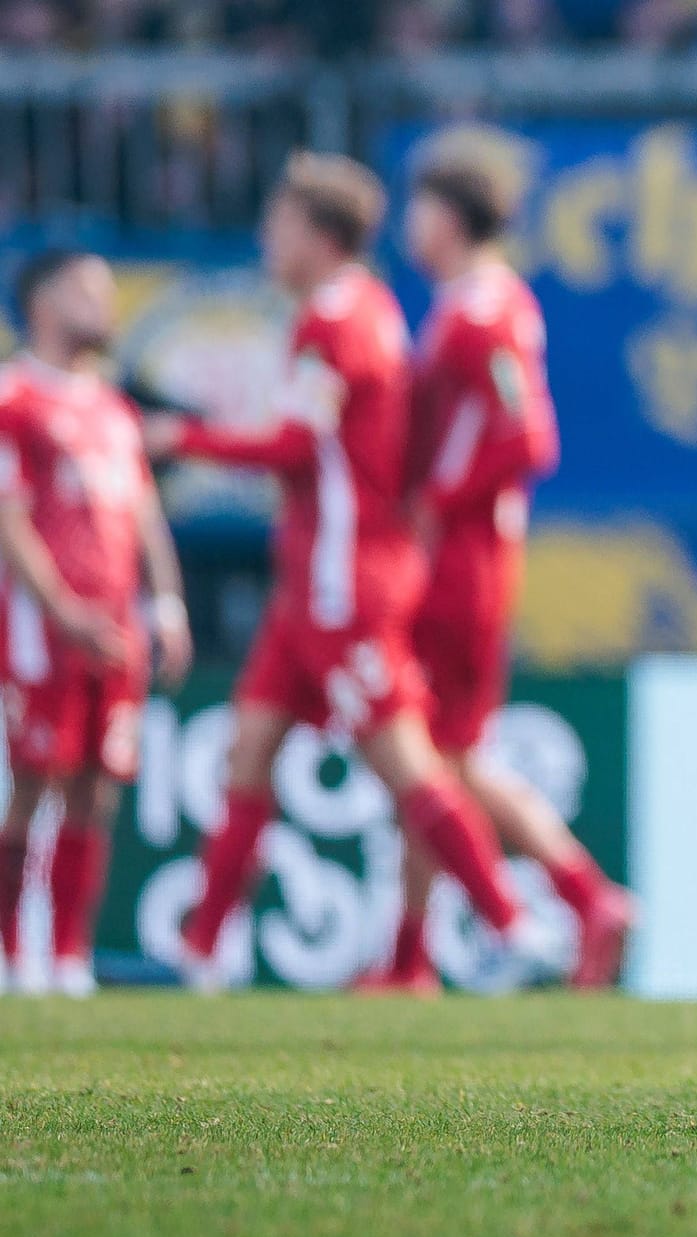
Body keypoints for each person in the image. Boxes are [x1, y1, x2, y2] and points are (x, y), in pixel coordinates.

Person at [146, 153, 566, 991]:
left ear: (316, 233)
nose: (269, 238)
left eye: (280, 223)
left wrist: (180, 439)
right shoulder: (376, 312)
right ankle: (201, 954)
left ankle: (514, 926)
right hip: (315, 584)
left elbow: (300, 447)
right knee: (250, 746)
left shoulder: (337, 322)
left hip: (345, 586)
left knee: (410, 761)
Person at [353, 145, 632, 995]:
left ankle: (583, 897)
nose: (409, 225)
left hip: (466, 562)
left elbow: (529, 436)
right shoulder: (463, 306)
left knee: (440, 759)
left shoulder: (489, 309)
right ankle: (412, 956)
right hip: (458, 556)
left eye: (419, 207)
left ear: (447, 215)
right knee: (434, 759)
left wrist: (438, 498)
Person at [0, 249, 192, 998]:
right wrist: (60, 609)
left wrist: (166, 604)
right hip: (42, 629)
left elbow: (144, 514)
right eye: (87, 290)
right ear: (42, 302)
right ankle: (17, 955)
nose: (103, 307)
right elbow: (10, 517)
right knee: (33, 782)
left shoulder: (114, 409)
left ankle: (72, 956)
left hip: (117, 630)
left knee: (97, 789)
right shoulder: (15, 396)